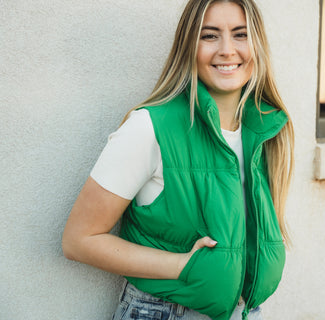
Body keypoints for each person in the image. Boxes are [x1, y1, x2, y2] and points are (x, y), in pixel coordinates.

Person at [62, 0, 294, 319]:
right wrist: (184, 265)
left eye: (240, 35)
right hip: (165, 311)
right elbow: (79, 240)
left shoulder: (266, 130)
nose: (227, 50)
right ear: (189, 46)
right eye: (209, 35)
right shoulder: (149, 127)